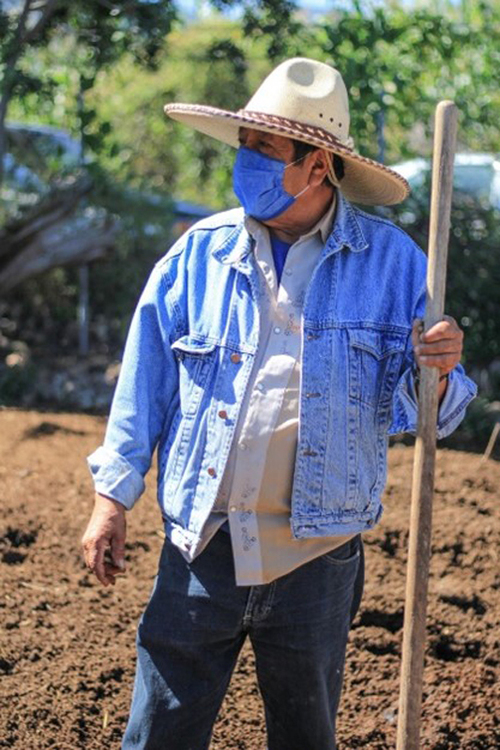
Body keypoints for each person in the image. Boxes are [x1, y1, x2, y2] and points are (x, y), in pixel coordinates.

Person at [82, 58, 476, 750]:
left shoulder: (396, 266)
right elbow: (144, 382)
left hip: (316, 559)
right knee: (158, 733)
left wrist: (439, 369)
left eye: (264, 150)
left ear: (317, 165)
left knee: (304, 735)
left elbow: (430, 416)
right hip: (200, 545)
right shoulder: (198, 256)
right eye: (245, 147)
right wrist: (111, 499)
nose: (247, 162)